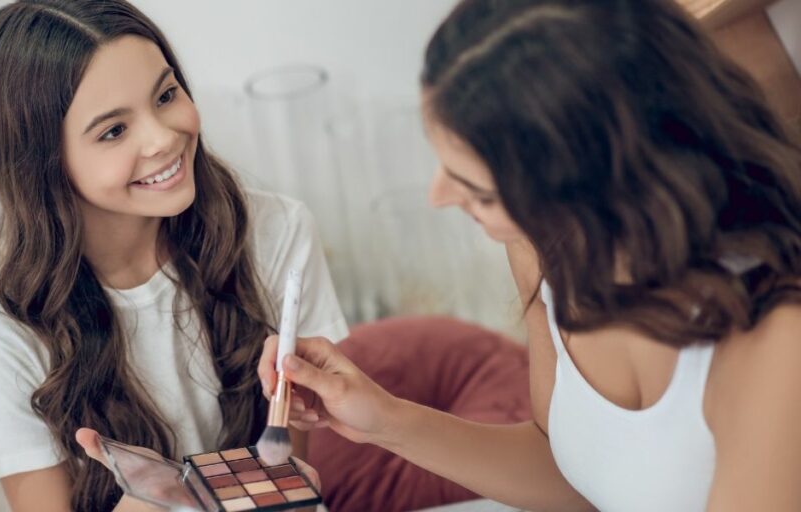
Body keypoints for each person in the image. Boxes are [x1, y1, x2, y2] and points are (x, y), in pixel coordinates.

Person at [258, 0, 801, 510]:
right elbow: (578, 475)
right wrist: (383, 420)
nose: (438, 196)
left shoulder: (773, 341)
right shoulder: (544, 250)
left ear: (594, 183)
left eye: (480, 190)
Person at [0, 1, 346, 510]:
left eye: (165, 95)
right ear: (41, 162)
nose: (164, 138)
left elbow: (288, 478)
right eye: (114, 131)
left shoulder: (277, 234)